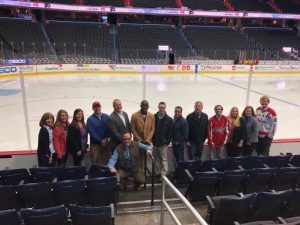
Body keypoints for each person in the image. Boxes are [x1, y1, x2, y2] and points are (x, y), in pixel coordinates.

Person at [152, 102, 173, 177]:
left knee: (164, 160)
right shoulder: (153, 117)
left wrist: (167, 142)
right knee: (156, 159)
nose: (161, 109)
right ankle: (157, 173)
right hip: (154, 143)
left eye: (163, 107)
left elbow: (170, 132)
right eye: (160, 107)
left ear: (165, 108)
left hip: (163, 144)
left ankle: (163, 175)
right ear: (158, 107)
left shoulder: (169, 119)